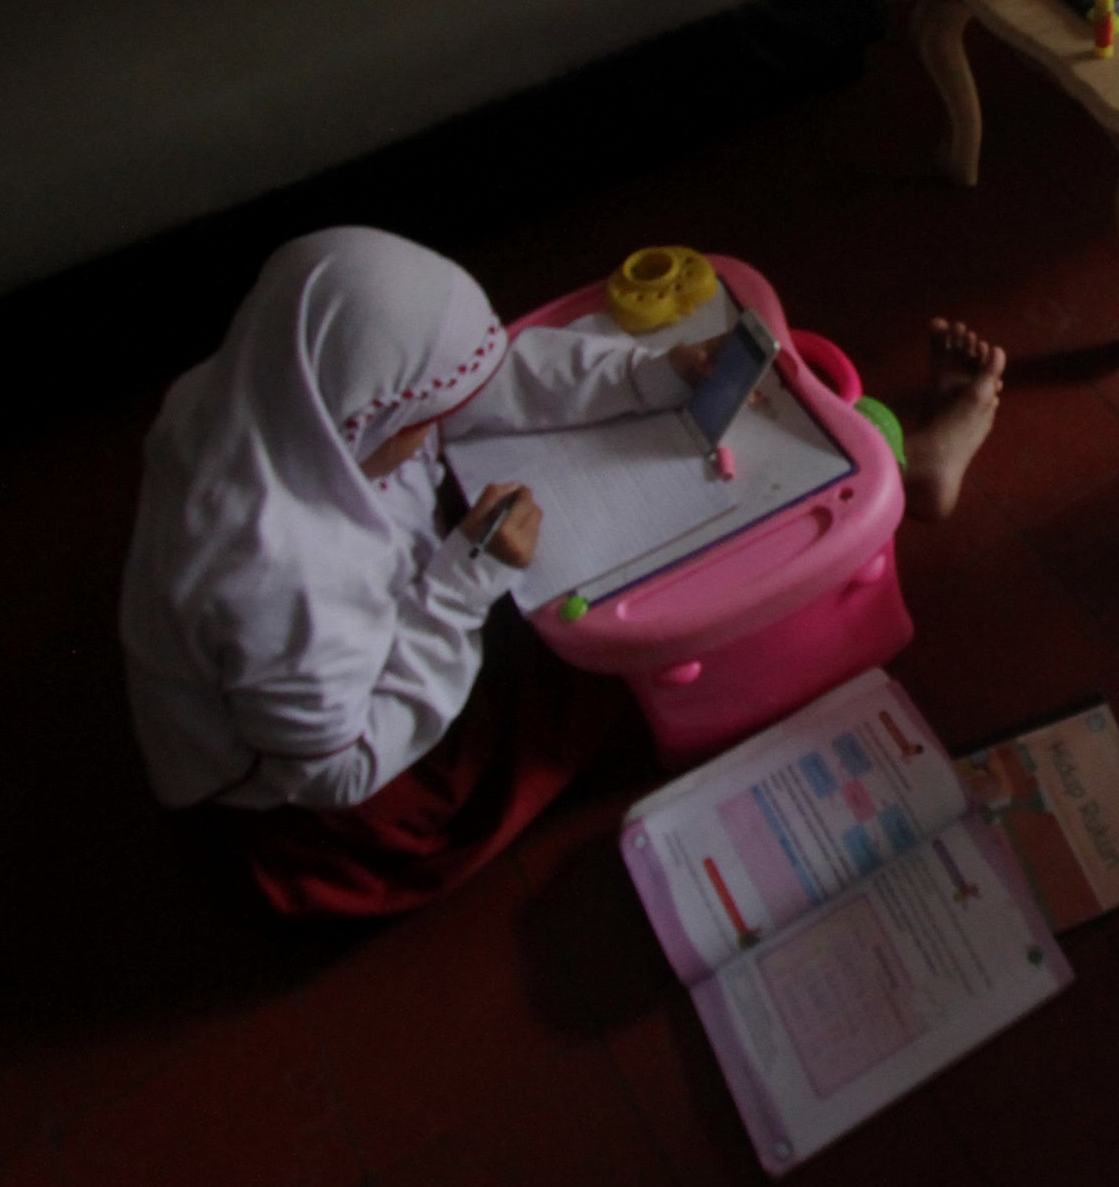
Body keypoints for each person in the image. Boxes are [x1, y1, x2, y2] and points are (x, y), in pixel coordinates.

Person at [121, 227, 1006, 917]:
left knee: (615, 465)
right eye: (426, 414)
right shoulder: (274, 581)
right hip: (324, 815)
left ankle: (892, 449)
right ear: (370, 412)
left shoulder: (281, 393)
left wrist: (651, 374)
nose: (441, 423)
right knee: (614, 666)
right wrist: (466, 580)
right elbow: (339, 769)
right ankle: (902, 457)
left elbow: (485, 383)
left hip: (356, 637)